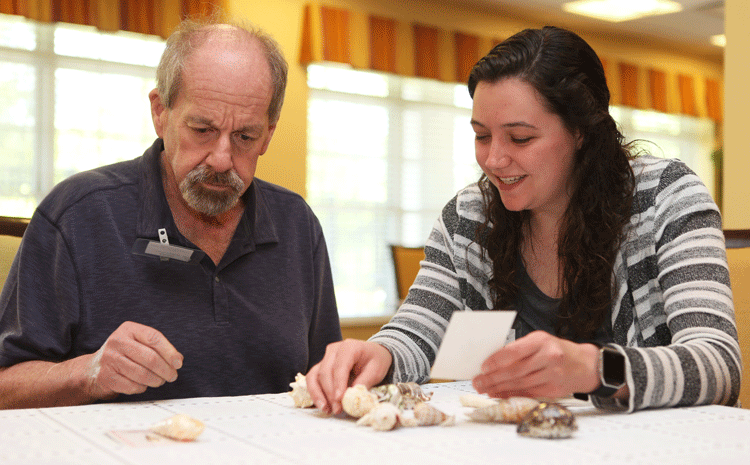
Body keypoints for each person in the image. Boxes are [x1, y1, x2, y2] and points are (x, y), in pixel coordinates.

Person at [305, 26, 740, 414]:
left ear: (581, 131)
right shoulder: (468, 217)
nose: (494, 159)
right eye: (481, 135)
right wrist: (379, 353)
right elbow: (420, 328)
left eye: (521, 137)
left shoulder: (665, 196)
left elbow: (719, 364)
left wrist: (591, 368)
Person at [0, 17, 341, 409]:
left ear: (268, 134)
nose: (221, 159)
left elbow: (323, 379)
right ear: (160, 112)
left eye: (245, 137)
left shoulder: (297, 225)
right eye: (202, 130)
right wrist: (87, 373)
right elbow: (5, 386)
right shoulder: (79, 215)